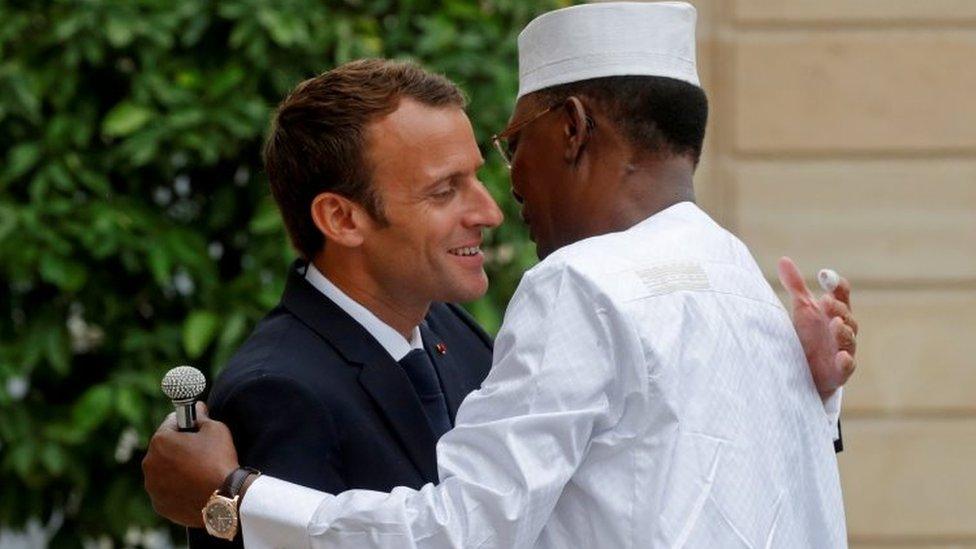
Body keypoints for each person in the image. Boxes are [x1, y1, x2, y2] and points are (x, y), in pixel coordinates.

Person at [144, 4, 859, 546]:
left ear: (573, 128)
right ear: (340, 217)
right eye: (445, 188)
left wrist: (234, 496)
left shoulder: (578, 284)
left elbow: (457, 531)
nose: (497, 200)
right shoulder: (733, 270)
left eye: (510, 145)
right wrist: (809, 400)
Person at [182, 60, 503, 546]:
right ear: (341, 218)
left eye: (477, 178)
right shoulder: (278, 394)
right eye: (444, 191)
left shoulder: (454, 331)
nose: (489, 212)